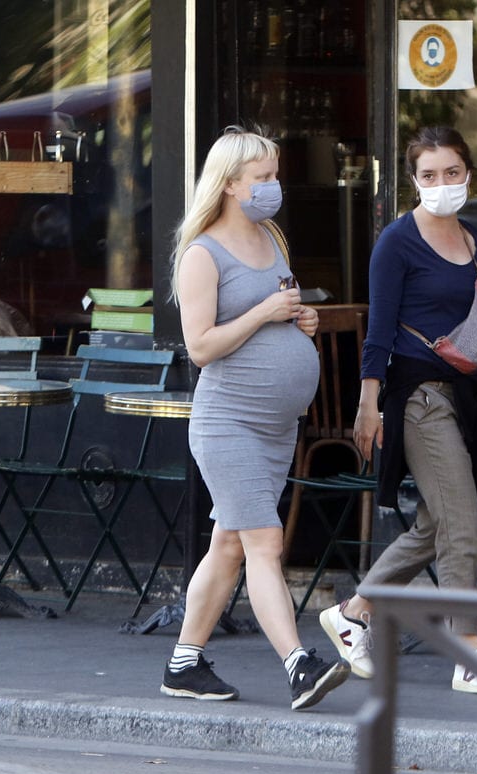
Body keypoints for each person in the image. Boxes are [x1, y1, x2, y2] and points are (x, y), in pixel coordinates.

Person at [319, 126, 477, 694]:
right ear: (413, 181)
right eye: (429, 175)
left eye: (452, 172)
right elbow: (378, 332)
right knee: (462, 519)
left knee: (438, 523)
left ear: (469, 174)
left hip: (463, 397)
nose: (442, 184)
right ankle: (467, 650)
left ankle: (353, 613)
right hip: (416, 397)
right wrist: (368, 403)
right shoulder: (396, 243)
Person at [163, 126, 349, 710]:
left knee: (229, 547)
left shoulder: (272, 238)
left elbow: (284, 307)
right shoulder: (202, 255)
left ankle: (183, 664)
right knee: (265, 542)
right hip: (228, 424)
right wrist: (265, 313)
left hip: (275, 427)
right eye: (262, 178)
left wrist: (301, 322)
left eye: (274, 176)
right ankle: (299, 665)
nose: (273, 187)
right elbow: (200, 347)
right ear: (229, 185)